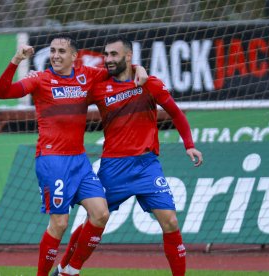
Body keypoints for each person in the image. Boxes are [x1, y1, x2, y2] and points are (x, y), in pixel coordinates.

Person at [0, 34, 148, 276]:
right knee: (60, 223)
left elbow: (118, 67)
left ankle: (69, 270)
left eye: (62, 51)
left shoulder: (87, 75)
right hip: (52, 161)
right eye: (53, 50)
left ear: (74, 56)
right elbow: (2, 93)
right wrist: (15, 60)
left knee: (100, 214)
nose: (55, 55)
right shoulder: (39, 79)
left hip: (79, 161)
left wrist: (139, 68)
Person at [53, 35, 203, 276]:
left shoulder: (149, 83)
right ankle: (66, 269)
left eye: (114, 54)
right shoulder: (99, 85)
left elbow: (176, 113)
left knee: (171, 222)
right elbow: (73, 92)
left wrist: (189, 144)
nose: (108, 59)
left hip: (147, 165)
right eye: (106, 55)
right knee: (95, 219)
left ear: (129, 56)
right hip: (114, 167)